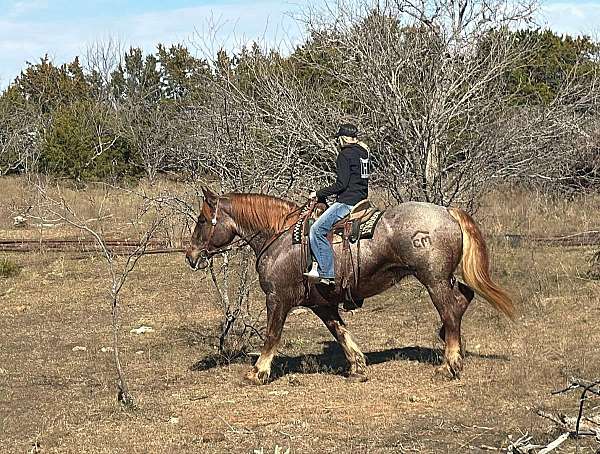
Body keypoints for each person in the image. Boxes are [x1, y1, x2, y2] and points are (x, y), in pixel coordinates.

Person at [305, 123, 370, 286]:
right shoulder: (364, 152)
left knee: (316, 230)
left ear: (343, 138)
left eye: (339, 139)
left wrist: (318, 193)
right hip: (363, 200)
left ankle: (326, 272)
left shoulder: (345, 155)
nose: (338, 142)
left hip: (348, 202)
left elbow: (341, 185)